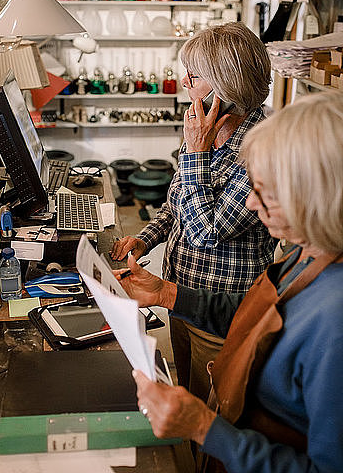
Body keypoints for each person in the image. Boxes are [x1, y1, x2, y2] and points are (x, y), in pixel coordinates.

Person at [114, 91, 343, 473]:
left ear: (314, 197)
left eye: (264, 193)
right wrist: (166, 292)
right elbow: (260, 318)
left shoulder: (336, 320)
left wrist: (206, 428)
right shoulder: (311, 252)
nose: (251, 204)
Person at [111, 22, 276, 401]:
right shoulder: (204, 127)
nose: (184, 81)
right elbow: (176, 203)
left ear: (226, 85)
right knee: (187, 395)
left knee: (211, 414)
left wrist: (198, 154)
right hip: (178, 295)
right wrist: (145, 238)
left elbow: (207, 232)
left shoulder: (262, 150)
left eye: (195, 74)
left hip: (220, 313)